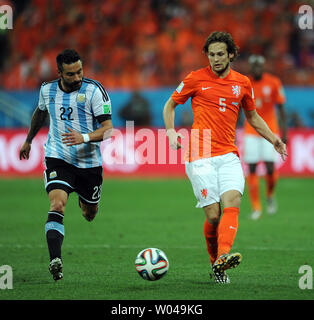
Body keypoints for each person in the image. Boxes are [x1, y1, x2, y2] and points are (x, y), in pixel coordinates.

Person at [162, 31, 287, 284]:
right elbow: (170, 105)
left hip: (228, 153)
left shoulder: (242, 83)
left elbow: (252, 117)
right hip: (199, 154)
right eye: (211, 54)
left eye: (220, 54)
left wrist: (273, 138)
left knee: (233, 202)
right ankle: (214, 262)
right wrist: (171, 132)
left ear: (231, 54)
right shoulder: (195, 78)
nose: (215, 59)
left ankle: (223, 259)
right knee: (213, 216)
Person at [19, 49, 113, 281]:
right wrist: (29, 140)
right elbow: (40, 114)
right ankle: (55, 260)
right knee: (57, 204)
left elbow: (108, 129)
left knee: (89, 213)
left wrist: (85, 137)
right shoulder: (47, 90)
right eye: (71, 74)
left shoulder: (94, 90)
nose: (77, 77)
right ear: (59, 72)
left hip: (89, 163)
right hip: (58, 157)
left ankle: (84, 199)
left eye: (80, 71)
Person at [244, 55, 287, 220]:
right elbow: (239, 110)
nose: (255, 69)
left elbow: (282, 109)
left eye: (258, 66)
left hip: (270, 130)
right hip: (251, 131)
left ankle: (269, 195)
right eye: (253, 66)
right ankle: (256, 207)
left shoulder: (274, 82)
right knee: (252, 167)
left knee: (270, 168)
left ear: (263, 67)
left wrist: (285, 133)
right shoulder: (245, 83)